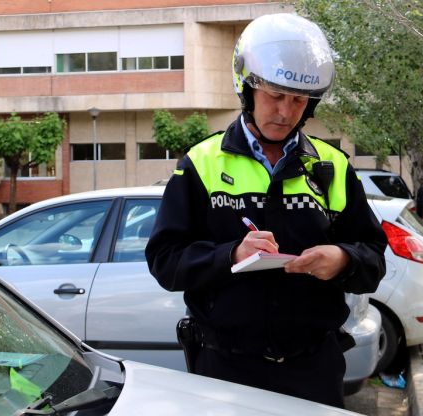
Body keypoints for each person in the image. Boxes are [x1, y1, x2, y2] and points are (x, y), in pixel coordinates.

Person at [145, 13, 387, 408]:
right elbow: (165, 261)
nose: (286, 111)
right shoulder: (200, 163)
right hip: (226, 372)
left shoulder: (334, 166)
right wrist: (230, 255)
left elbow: (374, 259)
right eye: (275, 95)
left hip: (314, 370)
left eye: (298, 100)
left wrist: (343, 259)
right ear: (247, 87)